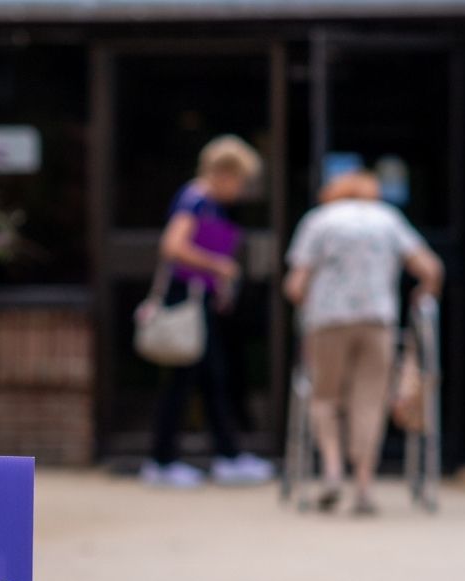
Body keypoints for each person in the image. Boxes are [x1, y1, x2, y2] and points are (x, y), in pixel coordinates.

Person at [283, 170, 443, 515]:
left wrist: (307, 299)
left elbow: (296, 285)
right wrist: (422, 296)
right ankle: (364, 485)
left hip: (327, 321)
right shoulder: (387, 219)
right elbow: (430, 269)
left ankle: (332, 470)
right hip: (377, 320)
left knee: (324, 396)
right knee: (369, 401)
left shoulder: (320, 221)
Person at [141, 135, 276, 488]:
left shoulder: (207, 202)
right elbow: (172, 246)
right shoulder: (196, 200)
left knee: (211, 378)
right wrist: (217, 265)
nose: (242, 189)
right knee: (186, 381)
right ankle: (164, 460)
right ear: (224, 173)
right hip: (184, 301)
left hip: (197, 301)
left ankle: (225, 455)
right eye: (241, 180)